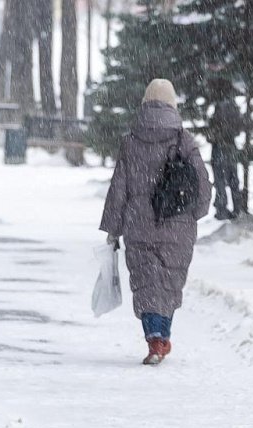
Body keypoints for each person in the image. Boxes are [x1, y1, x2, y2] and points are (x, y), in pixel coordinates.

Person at [99, 79, 212, 365]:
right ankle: (162, 337)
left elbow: (119, 188)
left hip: (138, 224)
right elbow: (202, 182)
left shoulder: (130, 141)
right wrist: (196, 212)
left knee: (146, 282)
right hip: (177, 224)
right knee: (169, 282)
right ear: (172, 104)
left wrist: (113, 228)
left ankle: (155, 337)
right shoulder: (184, 140)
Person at [208, 78, 244, 220]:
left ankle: (222, 209)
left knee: (220, 179)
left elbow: (214, 130)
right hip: (231, 146)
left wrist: (213, 136)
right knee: (233, 178)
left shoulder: (219, 107)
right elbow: (239, 128)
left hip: (219, 147)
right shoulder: (234, 107)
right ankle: (237, 209)